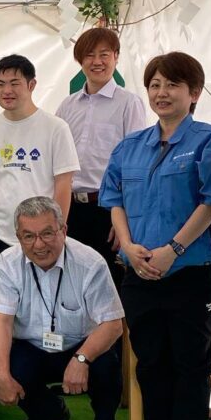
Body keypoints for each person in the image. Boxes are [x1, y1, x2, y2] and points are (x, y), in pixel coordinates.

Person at [100, 51, 211, 420]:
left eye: (172, 85)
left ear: (194, 93)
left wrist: (174, 248)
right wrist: (130, 248)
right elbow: (113, 200)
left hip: (190, 272)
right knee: (150, 362)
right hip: (139, 273)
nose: (162, 92)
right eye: (154, 84)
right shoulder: (131, 146)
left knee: (189, 361)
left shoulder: (209, 140)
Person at [0, 197, 124, 420]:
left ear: (63, 230)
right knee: (12, 367)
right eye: (28, 236)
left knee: (106, 364)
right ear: (18, 237)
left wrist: (82, 358)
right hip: (33, 346)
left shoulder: (91, 263)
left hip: (81, 345)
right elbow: (2, 323)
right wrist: (2, 376)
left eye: (47, 233)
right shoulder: (7, 263)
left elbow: (113, 324)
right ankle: (48, 413)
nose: (38, 244)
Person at [0, 54, 79, 291]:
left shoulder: (55, 128)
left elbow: (63, 184)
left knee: (39, 303)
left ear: (31, 85)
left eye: (14, 83)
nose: (6, 90)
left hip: (39, 236)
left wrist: (56, 231)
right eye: (0, 84)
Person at [56, 27, 146, 289]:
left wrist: (125, 218)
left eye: (104, 54)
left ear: (116, 57)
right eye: (89, 55)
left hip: (108, 210)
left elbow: (136, 163)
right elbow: (56, 160)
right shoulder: (67, 106)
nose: (97, 62)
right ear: (80, 61)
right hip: (69, 208)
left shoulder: (129, 103)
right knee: (70, 283)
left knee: (108, 286)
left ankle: (111, 333)